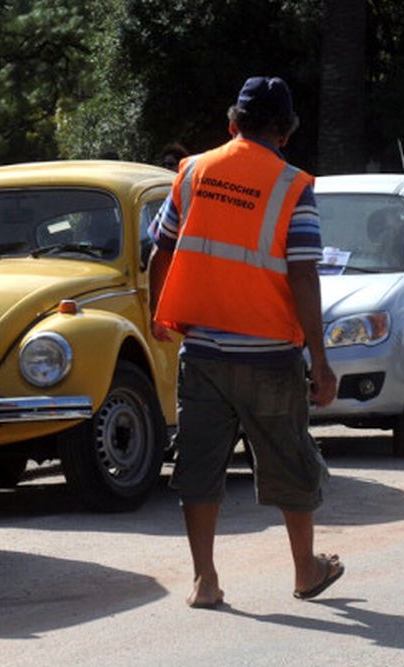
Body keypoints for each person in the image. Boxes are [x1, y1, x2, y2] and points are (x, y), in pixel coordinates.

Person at [147, 76, 342, 608]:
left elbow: (159, 251)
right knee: (289, 459)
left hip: (204, 352)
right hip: (270, 355)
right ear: (285, 132)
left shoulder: (192, 172)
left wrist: (157, 314)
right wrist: (320, 360)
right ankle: (305, 570)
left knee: (199, 465)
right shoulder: (291, 185)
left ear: (232, 124)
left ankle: (204, 580)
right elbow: (303, 275)